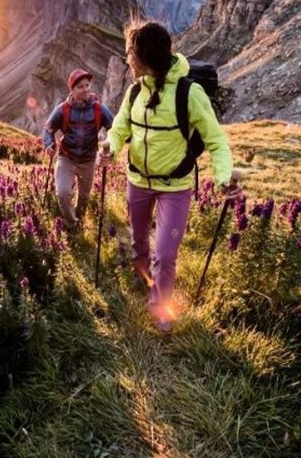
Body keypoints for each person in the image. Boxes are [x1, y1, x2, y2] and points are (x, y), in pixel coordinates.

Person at [97, 20, 242, 332]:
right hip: (137, 181)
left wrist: (224, 178)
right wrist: (110, 146)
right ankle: (143, 278)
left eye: (130, 53)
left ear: (144, 56)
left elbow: (216, 141)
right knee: (138, 242)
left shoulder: (190, 94)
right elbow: (121, 126)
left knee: (164, 254)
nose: (127, 59)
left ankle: (161, 307)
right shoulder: (135, 90)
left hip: (175, 187)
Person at [43, 69, 114, 231]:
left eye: (87, 85)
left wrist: (109, 147)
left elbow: (115, 129)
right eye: (80, 87)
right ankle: (71, 223)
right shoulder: (62, 109)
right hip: (66, 158)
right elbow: (48, 129)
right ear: (72, 90)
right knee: (62, 193)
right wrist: (49, 144)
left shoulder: (99, 109)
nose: (86, 89)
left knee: (84, 197)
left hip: (88, 161)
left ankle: (79, 220)